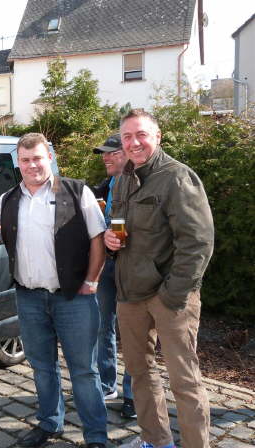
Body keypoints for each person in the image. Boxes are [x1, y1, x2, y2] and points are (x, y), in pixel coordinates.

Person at [0, 133, 108, 448]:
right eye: (25, 160)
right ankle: (50, 424)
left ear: (49, 157)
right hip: (29, 297)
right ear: (17, 162)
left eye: (37, 158)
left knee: (84, 371)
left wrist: (91, 281)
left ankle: (96, 436)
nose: (32, 165)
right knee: (41, 367)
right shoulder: (7, 199)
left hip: (73, 297)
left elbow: (98, 238)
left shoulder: (77, 191)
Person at [105, 110, 214, 448]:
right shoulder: (124, 176)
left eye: (141, 134)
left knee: (184, 381)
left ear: (158, 136)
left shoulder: (177, 177)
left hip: (170, 296)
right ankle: (157, 441)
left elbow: (198, 243)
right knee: (140, 373)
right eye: (127, 137)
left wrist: (172, 295)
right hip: (130, 293)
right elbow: (120, 226)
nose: (134, 142)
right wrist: (111, 240)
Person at [92, 134, 136, 419]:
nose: (106, 157)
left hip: (132, 267)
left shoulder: (139, 185)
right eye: (104, 153)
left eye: (112, 152)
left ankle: (133, 394)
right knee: (102, 326)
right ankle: (107, 386)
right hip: (107, 265)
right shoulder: (105, 186)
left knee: (133, 330)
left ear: (127, 154)